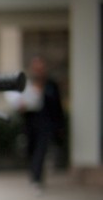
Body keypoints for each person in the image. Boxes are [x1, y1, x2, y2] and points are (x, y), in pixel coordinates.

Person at [7, 55, 65, 190]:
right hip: (30, 124)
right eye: (36, 68)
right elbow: (19, 103)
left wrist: (60, 126)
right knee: (31, 150)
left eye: (41, 67)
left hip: (46, 124)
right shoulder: (27, 85)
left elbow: (57, 106)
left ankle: (37, 179)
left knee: (41, 150)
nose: (39, 70)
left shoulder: (51, 85)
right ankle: (34, 175)